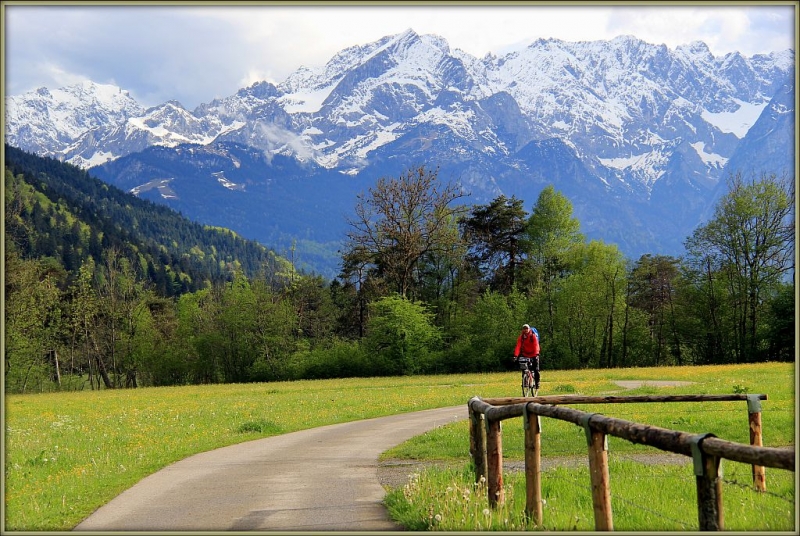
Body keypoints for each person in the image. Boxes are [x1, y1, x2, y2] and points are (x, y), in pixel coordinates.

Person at [513, 323, 540, 389]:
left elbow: (536, 345)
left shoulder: (533, 336)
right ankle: (525, 382)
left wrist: (537, 353)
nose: (525, 330)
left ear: (529, 329)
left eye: (527, 328)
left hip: (534, 354)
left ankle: (537, 383)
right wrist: (515, 355)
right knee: (524, 368)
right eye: (524, 329)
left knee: (536, 369)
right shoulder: (521, 337)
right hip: (525, 354)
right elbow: (518, 346)